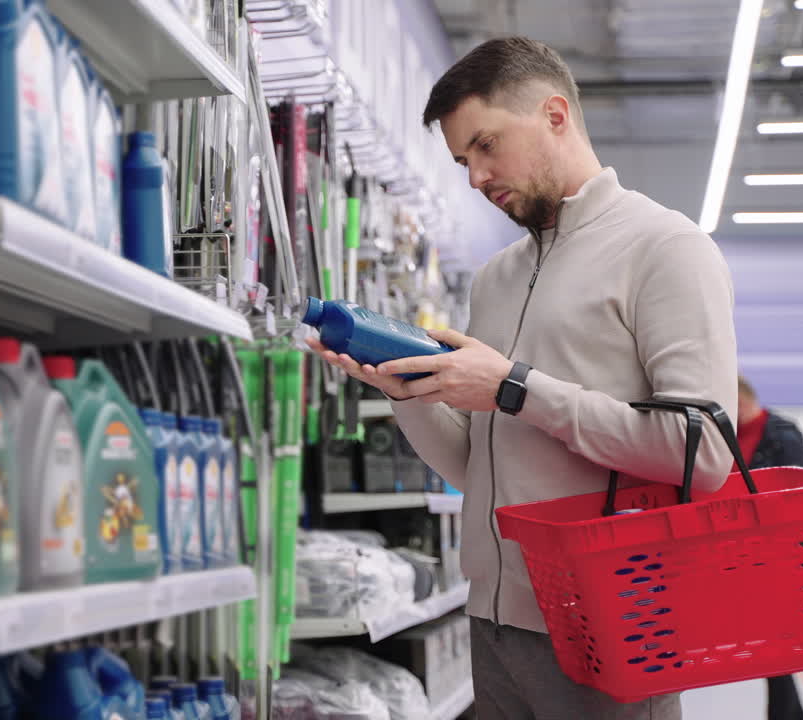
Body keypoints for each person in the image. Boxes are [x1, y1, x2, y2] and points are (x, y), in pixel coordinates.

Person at [308, 37, 738, 719]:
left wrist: (515, 387)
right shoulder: (496, 279)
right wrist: (407, 394)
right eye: (461, 161)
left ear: (555, 115)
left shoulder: (665, 249)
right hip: (494, 628)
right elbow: (478, 468)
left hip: (611, 623)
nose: (474, 177)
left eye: (486, 145)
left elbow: (703, 454)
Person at [735, 376, 803, 720]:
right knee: (771, 649)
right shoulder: (727, 436)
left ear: (740, 398)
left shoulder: (782, 433)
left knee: (776, 649)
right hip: (739, 553)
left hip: (777, 553)